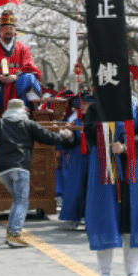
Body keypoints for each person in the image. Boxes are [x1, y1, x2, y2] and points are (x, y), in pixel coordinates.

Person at [0, 98, 73, 247]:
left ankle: (11, 233)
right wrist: (63, 134)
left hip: (3, 170)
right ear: (23, 110)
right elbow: (49, 138)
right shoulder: (29, 124)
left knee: (18, 201)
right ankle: (14, 234)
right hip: (20, 167)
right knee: (21, 201)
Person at [83, 93, 138, 276]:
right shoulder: (96, 108)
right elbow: (89, 133)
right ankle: (105, 273)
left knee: (133, 221)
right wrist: (108, 133)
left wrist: (125, 147)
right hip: (104, 170)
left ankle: (132, 272)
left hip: (132, 169)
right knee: (106, 219)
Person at [0, 10, 43, 110]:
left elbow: (29, 66)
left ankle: (31, 109)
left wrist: (15, 76)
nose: (8, 31)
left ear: (15, 31)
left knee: (29, 77)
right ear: (0, 30)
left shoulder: (23, 48)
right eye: (5, 28)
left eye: (11, 28)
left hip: (19, 78)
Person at [59, 94, 89, 230]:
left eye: (87, 104)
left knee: (91, 188)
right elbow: (69, 143)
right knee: (75, 187)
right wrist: (68, 136)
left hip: (93, 157)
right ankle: (73, 217)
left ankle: (90, 218)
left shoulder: (99, 121)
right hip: (77, 157)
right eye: (83, 104)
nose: (84, 107)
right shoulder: (74, 122)